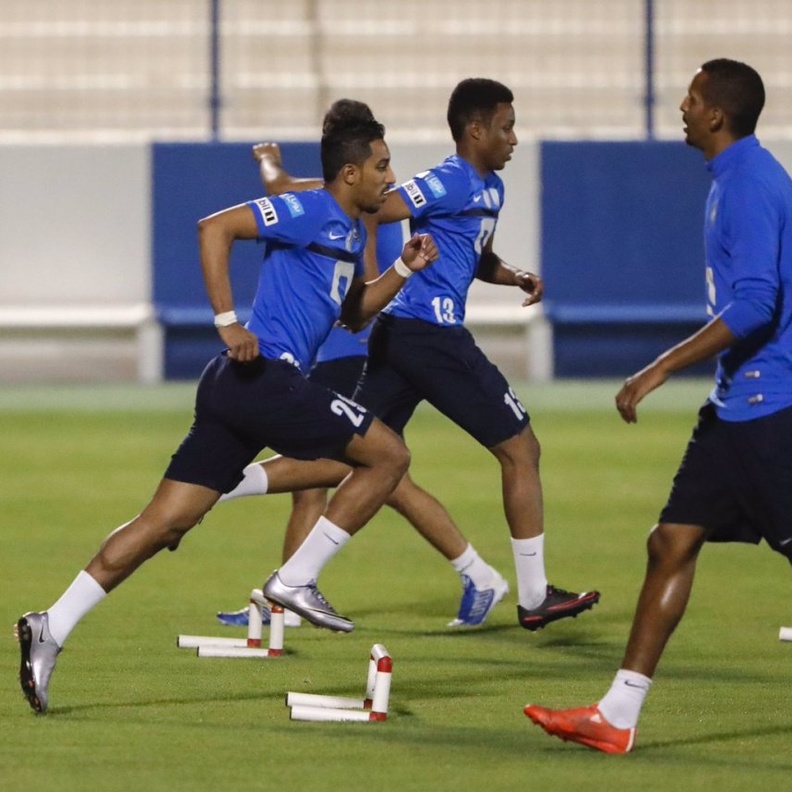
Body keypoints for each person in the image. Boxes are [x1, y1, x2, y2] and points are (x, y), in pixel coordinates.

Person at [16, 111, 439, 713]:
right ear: (350, 173)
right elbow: (213, 228)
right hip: (261, 375)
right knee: (388, 455)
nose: (389, 177)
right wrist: (226, 322)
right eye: (381, 166)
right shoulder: (311, 209)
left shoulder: (347, 230)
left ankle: (50, 626)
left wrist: (402, 270)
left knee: (165, 523)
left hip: (239, 389)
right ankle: (295, 579)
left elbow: (352, 314)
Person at [245, 78, 600, 631]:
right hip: (429, 335)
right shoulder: (450, 177)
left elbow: (473, 255)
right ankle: (534, 596)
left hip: (399, 337)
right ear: (475, 131)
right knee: (521, 449)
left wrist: (514, 276)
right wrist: (367, 272)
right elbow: (377, 208)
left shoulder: (489, 189)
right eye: (506, 127)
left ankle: (258, 529)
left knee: (352, 458)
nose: (514, 138)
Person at [525, 58, 792, 754]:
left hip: (774, 408)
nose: (680, 104)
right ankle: (617, 715)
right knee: (670, 541)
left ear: (716, 115)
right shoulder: (733, 177)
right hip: (739, 405)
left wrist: (659, 367)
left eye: (693, 97)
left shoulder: (751, 185)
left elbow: (758, 304)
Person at [217, 110, 508, 631]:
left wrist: (268, 160)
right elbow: (284, 187)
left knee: (361, 469)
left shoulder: (350, 203)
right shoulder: (337, 193)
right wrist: (271, 166)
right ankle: (474, 572)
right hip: (335, 347)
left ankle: (282, 589)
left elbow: (360, 281)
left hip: (343, 348)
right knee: (376, 471)